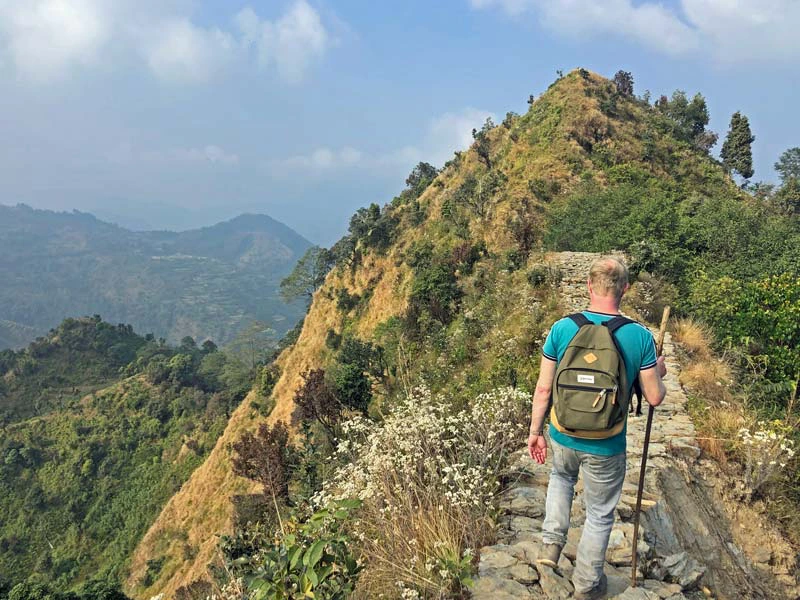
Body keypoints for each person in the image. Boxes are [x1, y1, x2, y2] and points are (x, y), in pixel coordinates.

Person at [527, 256, 667, 600]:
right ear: (626, 289)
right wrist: (658, 370)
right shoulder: (639, 336)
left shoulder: (562, 328)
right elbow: (654, 397)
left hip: (563, 432)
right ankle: (588, 583)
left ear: (588, 286)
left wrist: (535, 432)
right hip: (606, 442)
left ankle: (550, 548)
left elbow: (544, 388)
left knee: (560, 479)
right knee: (600, 513)